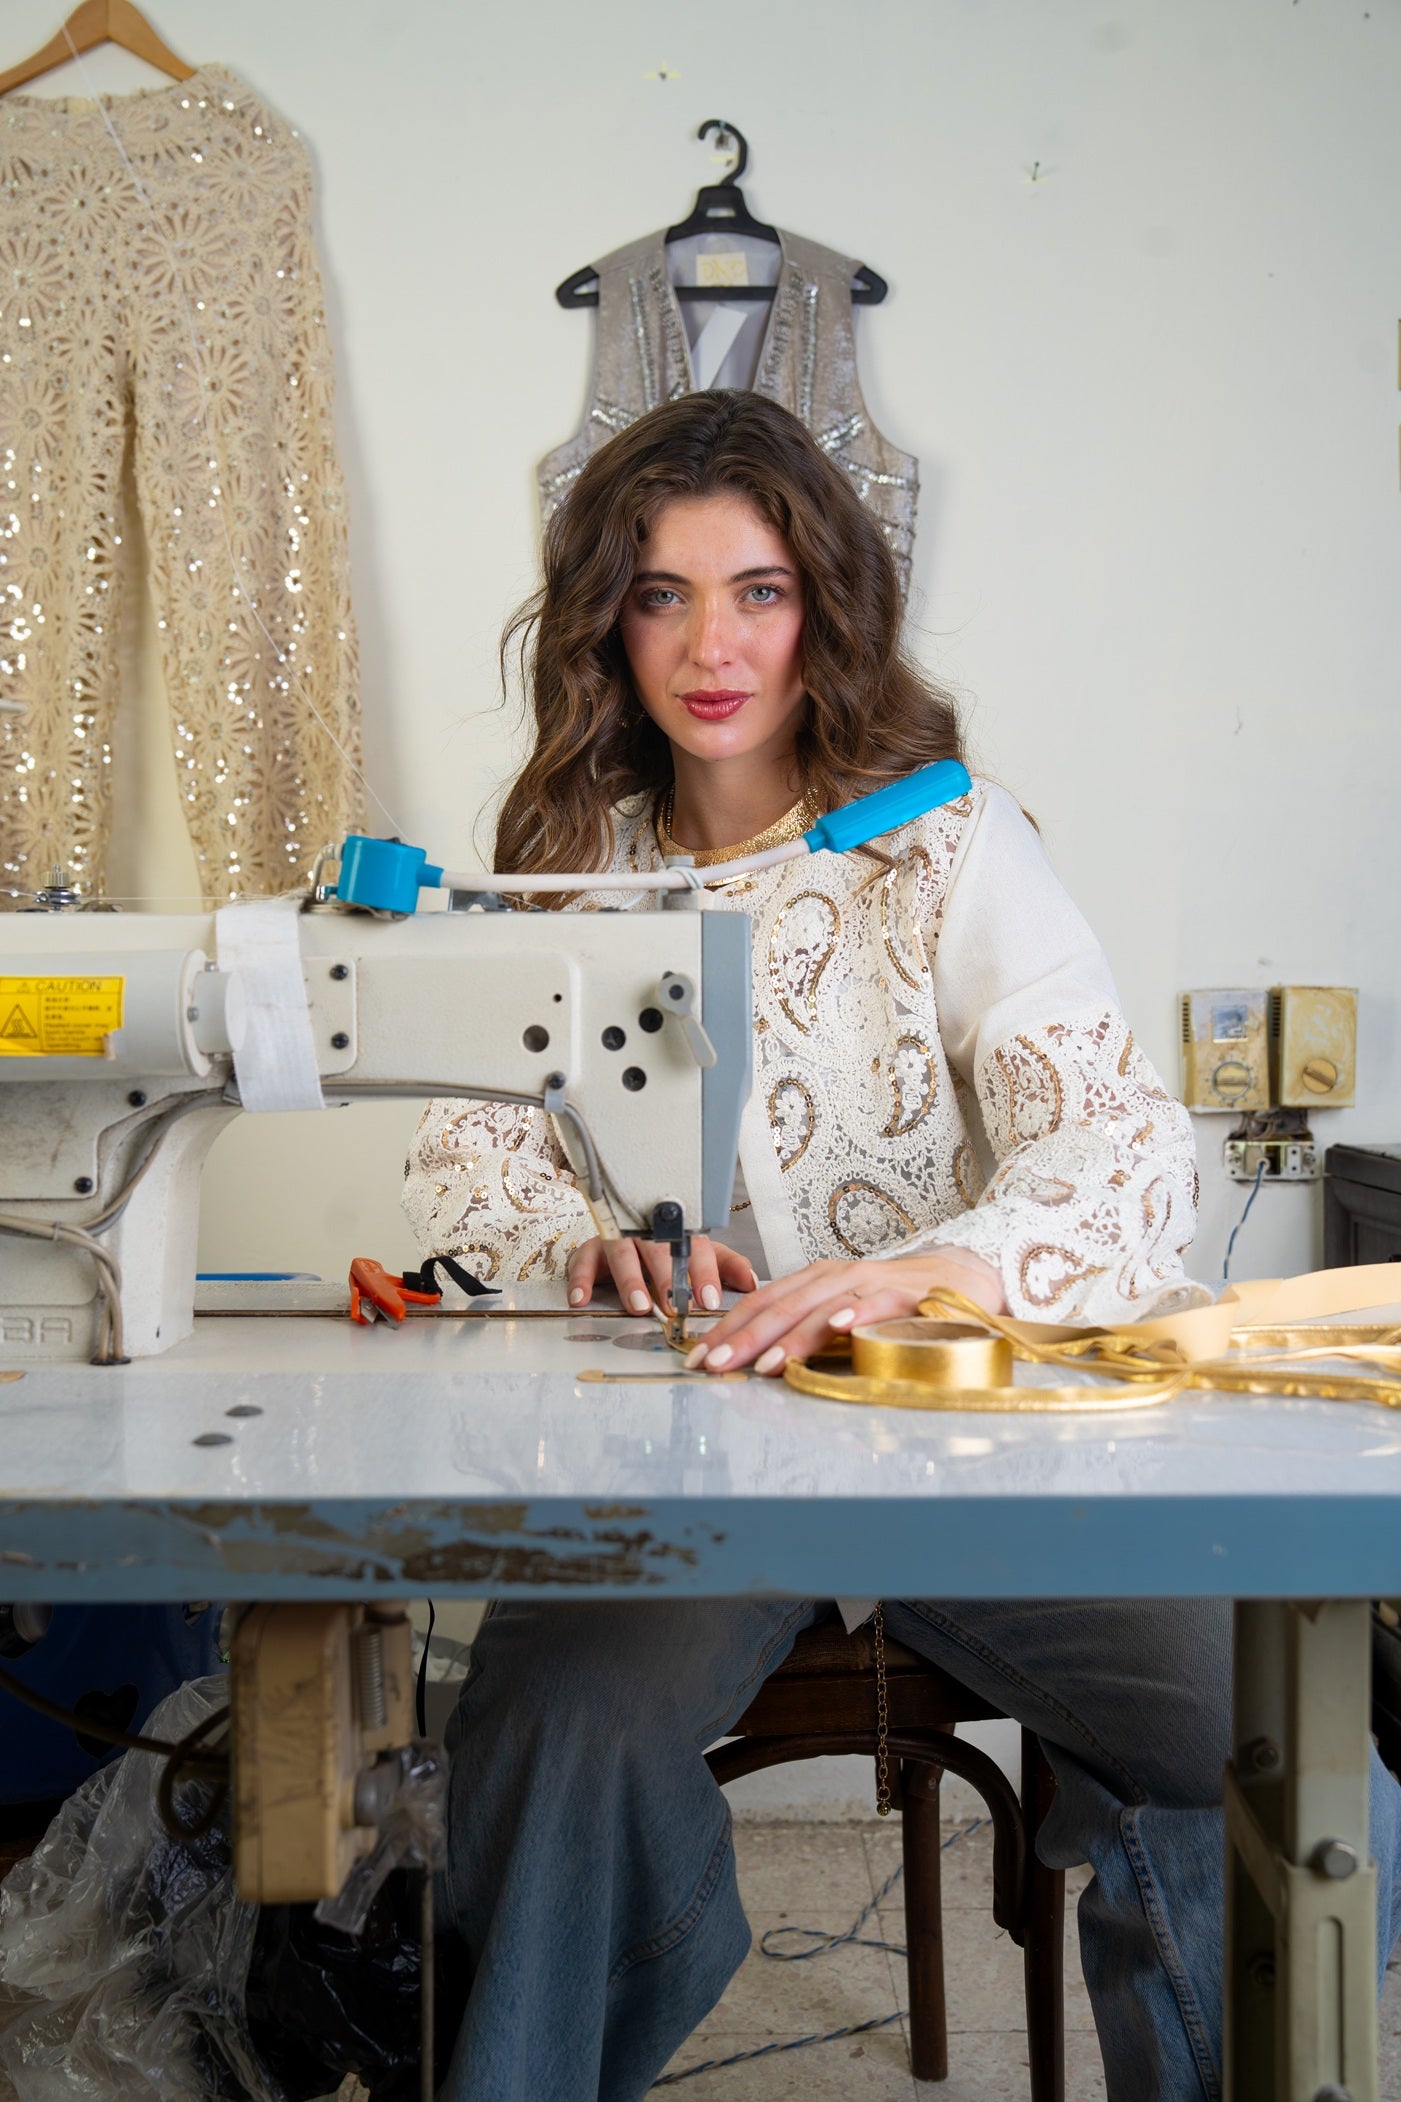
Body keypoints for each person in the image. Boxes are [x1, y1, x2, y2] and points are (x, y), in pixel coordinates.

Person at [403, 390, 1401, 2101]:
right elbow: (460, 1151)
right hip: (692, 1452)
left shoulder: (945, 845)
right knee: (557, 1728)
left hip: (977, 1434)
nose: (709, 644)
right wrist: (579, 1241)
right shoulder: (569, 868)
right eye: (659, 595)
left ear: (827, 606)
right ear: (604, 623)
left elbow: (1116, 1150)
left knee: (1259, 1733)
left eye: (758, 590)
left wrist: (937, 1270)